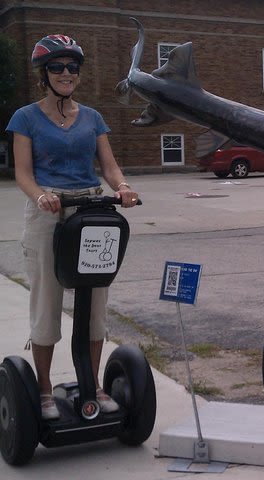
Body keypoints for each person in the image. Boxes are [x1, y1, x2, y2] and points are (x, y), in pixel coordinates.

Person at [6, 34, 140, 420]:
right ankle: (45, 390)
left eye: (72, 68)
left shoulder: (93, 117)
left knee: (96, 304)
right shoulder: (25, 117)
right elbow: (23, 173)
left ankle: (93, 384)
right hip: (48, 210)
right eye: (57, 67)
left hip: (91, 209)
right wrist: (40, 197)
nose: (66, 74)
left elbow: (109, 166)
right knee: (47, 304)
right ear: (43, 74)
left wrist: (124, 187)